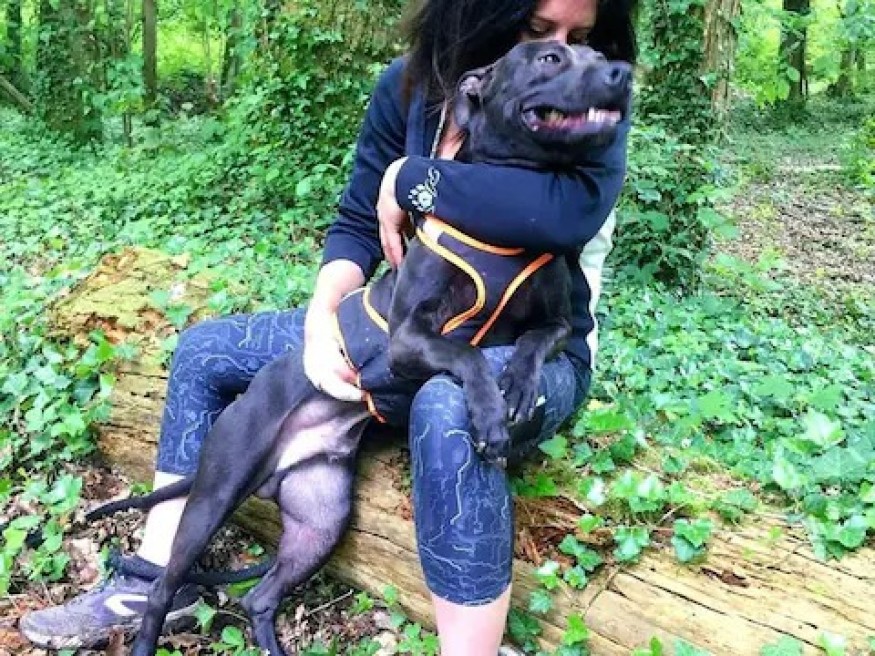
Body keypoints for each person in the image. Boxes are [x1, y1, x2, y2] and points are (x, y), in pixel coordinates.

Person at [19, 0, 636, 653]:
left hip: (532, 350)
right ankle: (154, 582)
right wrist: (320, 320)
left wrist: (412, 178)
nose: (573, 54)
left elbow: (561, 216)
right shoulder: (411, 87)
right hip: (407, 329)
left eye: (585, 38)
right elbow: (356, 225)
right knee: (203, 350)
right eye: (538, 33)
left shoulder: (591, 102)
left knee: (449, 402)